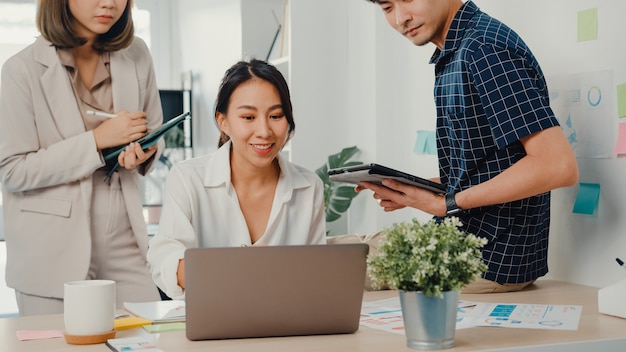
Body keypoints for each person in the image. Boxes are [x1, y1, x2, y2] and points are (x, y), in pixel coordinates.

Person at [360, 0, 579, 293]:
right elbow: (488, 166)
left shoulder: (484, 49)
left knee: (322, 264)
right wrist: (421, 190)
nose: (401, 18)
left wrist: (445, 204)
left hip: (487, 258)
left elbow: (557, 166)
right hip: (463, 243)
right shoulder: (456, 51)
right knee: (320, 251)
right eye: (387, 8)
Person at [0, 0, 163, 315]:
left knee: (149, 338)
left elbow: (152, 130)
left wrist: (141, 153)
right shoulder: (20, 70)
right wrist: (97, 141)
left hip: (125, 240)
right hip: (50, 249)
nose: (109, 3)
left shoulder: (138, 53)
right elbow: (12, 170)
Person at [147, 59, 327, 300]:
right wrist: (232, 269)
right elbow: (164, 260)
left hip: (287, 321)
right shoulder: (188, 178)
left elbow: (316, 274)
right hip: (212, 320)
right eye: (248, 118)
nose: (264, 131)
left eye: (275, 115)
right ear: (223, 121)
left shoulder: (309, 186)